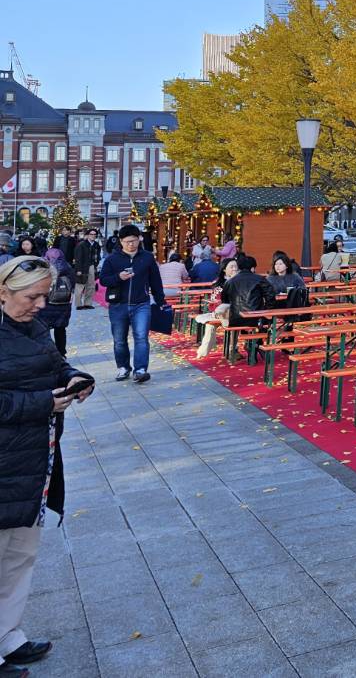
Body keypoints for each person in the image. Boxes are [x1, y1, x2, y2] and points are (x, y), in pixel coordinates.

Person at [0, 254, 95, 675]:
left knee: (21, 554)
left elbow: (56, 364)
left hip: (35, 456)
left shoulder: (33, 327)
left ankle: (7, 635)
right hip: (6, 457)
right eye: (32, 297)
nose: (40, 304)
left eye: (43, 296)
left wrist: (75, 377)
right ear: (3, 292)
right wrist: (40, 403)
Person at [96, 224, 167, 384]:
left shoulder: (147, 257)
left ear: (139, 239)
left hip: (141, 303)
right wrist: (118, 277)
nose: (131, 244)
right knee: (119, 339)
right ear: (121, 241)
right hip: (118, 304)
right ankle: (123, 367)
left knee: (141, 337)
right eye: (127, 241)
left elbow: (155, 280)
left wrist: (160, 300)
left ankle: (140, 369)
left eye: (134, 241)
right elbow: (103, 279)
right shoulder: (112, 259)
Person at [195, 257, 240, 359]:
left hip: (228, 313)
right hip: (221, 313)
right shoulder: (220, 283)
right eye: (232, 267)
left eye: (236, 267)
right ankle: (231, 350)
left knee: (214, 325)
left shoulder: (237, 281)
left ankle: (204, 351)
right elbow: (216, 300)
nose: (234, 269)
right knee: (213, 325)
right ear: (224, 269)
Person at [36, 249, 74, 355]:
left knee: (45, 330)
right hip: (64, 304)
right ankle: (61, 353)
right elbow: (73, 284)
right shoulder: (68, 267)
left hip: (47, 304)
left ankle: (49, 353)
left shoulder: (44, 268)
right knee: (61, 330)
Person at [222, 255, 275, 329]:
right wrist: (266, 310)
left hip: (235, 318)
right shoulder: (260, 279)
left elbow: (224, 300)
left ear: (239, 267)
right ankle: (258, 340)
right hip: (255, 318)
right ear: (252, 268)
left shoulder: (230, 281)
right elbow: (271, 295)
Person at [69, 229, 100, 312]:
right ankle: (78, 304)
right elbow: (78, 258)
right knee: (80, 285)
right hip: (82, 267)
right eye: (91, 234)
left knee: (91, 286)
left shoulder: (96, 245)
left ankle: (88, 303)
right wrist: (78, 269)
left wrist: (96, 265)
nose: (93, 235)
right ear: (88, 235)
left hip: (92, 266)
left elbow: (98, 256)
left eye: (94, 234)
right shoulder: (81, 245)